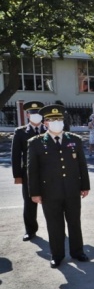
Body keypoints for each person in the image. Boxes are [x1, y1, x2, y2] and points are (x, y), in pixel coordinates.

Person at [27, 104, 90, 268]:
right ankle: (57, 255)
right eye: (53, 120)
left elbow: (82, 165)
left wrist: (85, 185)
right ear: (45, 122)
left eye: (59, 119)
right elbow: (32, 171)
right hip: (49, 192)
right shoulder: (36, 142)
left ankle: (77, 251)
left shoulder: (74, 140)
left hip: (72, 189)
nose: (57, 122)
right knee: (54, 225)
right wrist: (34, 192)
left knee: (74, 222)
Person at [11, 101, 46, 241]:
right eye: (32, 113)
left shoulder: (48, 130)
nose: (35, 116)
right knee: (29, 203)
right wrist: (17, 175)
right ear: (27, 115)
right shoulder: (20, 132)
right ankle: (30, 230)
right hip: (29, 174)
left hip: (48, 173)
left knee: (52, 202)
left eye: (38, 113)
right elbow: (15, 155)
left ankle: (56, 228)